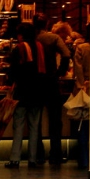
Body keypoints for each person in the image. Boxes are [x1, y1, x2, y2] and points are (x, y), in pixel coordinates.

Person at [4, 22, 45, 169]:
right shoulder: (40, 47)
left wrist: (9, 80)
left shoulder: (20, 48)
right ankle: (32, 159)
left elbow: (14, 70)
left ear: (21, 35)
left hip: (22, 92)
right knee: (34, 127)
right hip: (38, 92)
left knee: (19, 126)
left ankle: (15, 159)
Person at [34, 13, 71, 166]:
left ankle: (37, 154)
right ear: (47, 23)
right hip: (51, 81)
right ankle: (55, 154)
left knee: (35, 121)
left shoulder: (31, 39)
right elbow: (66, 54)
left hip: (35, 83)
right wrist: (60, 72)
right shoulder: (53, 38)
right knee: (55, 120)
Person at [72, 24, 90, 169]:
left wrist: (82, 86)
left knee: (83, 125)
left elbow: (78, 70)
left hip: (85, 89)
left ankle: (84, 160)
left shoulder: (82, 48)